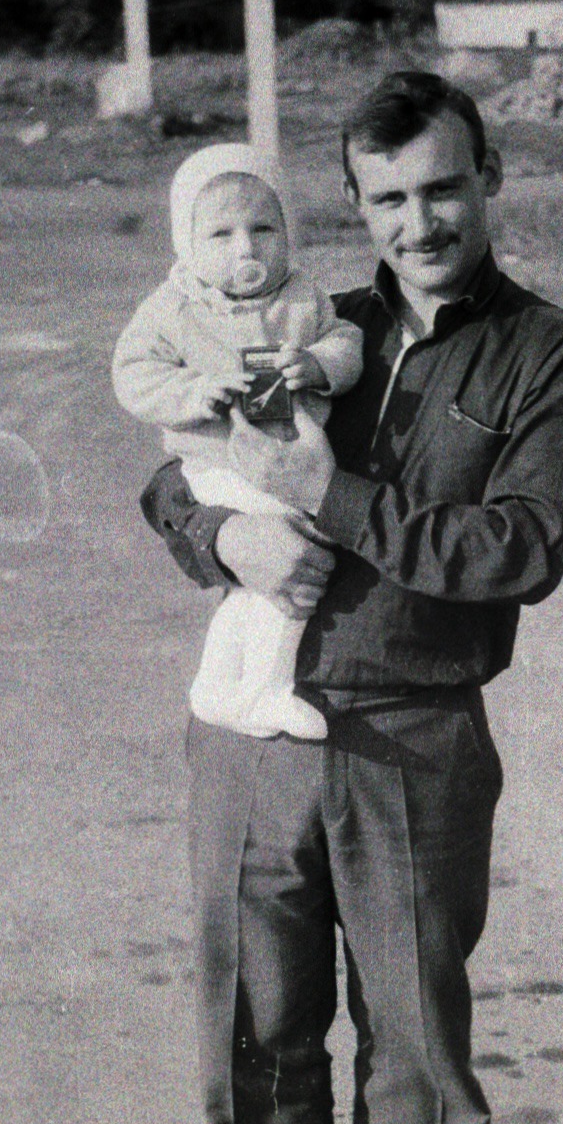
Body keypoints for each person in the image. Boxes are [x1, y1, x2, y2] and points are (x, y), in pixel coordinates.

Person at [139, 72, 563, 1124]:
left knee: (412, 1023)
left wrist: (325, 492)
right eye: (387, 198)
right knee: (257, 1020)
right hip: (249, 731)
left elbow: (517, 546)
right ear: (355, 207)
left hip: (414, 736)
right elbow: (169, 475)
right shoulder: (309, 325)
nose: (418, 222)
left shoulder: (549, 355)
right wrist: (223, 532)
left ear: (490, 177)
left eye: (442, 188)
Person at [113, 143, 362, 741]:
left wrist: (319, 364)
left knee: (263, 579)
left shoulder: (301, 298)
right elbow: (132, 372)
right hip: (218, 460)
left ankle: (221, 685)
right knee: (293, 550)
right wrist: (196, 392)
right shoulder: (176, 307)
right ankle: (266, 689)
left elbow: (346, 338)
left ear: (288, 233)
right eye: (221, 235)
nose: (246, 249)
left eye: (263, 228)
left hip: (283, 459)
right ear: (187, 244)